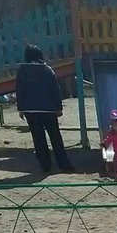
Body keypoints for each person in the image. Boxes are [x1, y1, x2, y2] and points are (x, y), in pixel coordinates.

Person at [15, 45, 74, 174]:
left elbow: (20, 91)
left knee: (38, 139)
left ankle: (45, 166)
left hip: (31, 110)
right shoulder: (47, 70)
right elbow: (55, 90)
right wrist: (58, 108)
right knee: (55, 137)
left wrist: (21, 108)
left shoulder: (22, 70)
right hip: (48, 109)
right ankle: (64, 164)